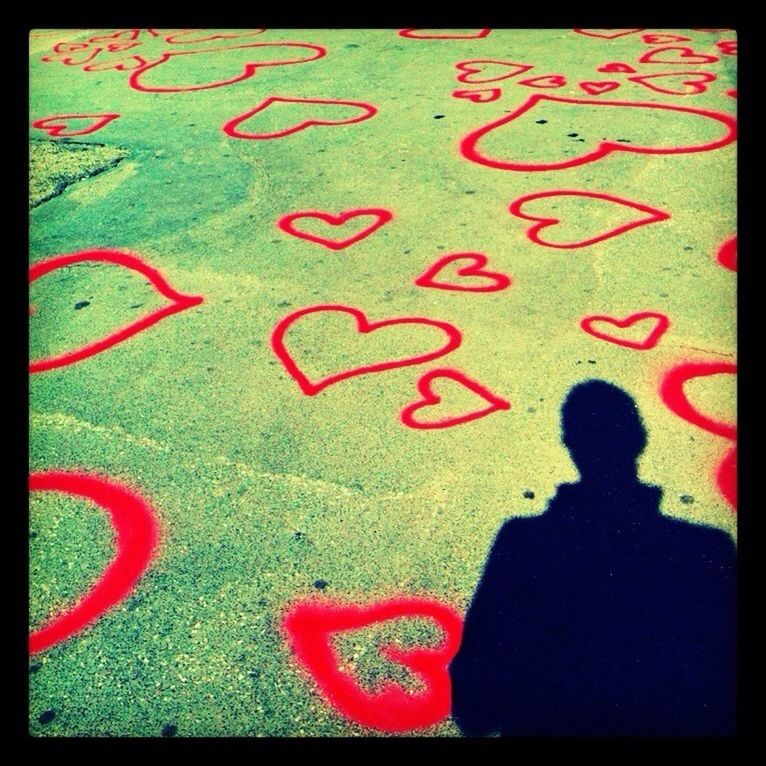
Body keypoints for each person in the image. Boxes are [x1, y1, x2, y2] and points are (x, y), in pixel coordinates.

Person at [449, 379, 736, 736]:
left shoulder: (524, 544)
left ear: (570, 444)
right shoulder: (706, 551)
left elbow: (475, 706)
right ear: (640, 439)